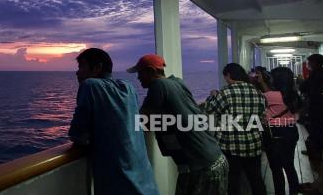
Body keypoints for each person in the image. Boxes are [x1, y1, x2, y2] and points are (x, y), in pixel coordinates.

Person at [127, 54, 228, 195]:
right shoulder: (177, 82)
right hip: (215, 158)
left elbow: (141, 120)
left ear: (151, 71)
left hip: (201, 167)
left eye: (140, 73)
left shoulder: (158, 85)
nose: (138, 78)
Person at [69, 48, 159, 195]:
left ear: (97, 67)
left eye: (82, 67)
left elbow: (78, 135)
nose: (77, 72)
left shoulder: (90, 85)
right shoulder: (128, 88)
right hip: (146, 184)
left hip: (120, 186)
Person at [203, 63, 266, 195]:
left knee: (233, 180)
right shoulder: (257, 92)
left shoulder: (225, 93)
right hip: (253, 143)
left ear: (229, 75)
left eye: (225, 77)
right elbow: (262, 115)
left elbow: (209, 109)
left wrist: (213, 95)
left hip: (230, 145)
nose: (225, 80)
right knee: (256, 178)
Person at [255, 66, 300, 195]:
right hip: (291, 131)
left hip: (274, 133)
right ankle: (294, 191)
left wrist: (260, 81)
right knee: (289, 166)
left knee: (276, 169)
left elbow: (256, 98)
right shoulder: (293, 95)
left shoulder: (269, 96)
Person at [299, 54, 323, 159]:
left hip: (316, 106)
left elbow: (304, 87)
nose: (308, 64)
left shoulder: (315, 73)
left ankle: (317, 152)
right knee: (322, 128)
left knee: (315, 128)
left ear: (315, 63)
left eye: (309, 62)